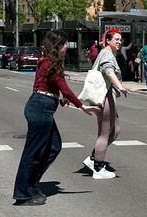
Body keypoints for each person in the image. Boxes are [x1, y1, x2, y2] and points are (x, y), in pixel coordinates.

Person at [13, 30, 100, 206]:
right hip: (41, 108)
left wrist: (57, 98)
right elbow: (64, 88)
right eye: (65, 43)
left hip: (41, 105)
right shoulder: (51, 62)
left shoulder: (48, 62)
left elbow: (44, 85)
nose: (67, 46)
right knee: (33, 153)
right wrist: (81, 106)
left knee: (54, 146)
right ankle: (23, 194)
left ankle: (32, 184)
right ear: (58, 45)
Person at [82, 28, 129, 179]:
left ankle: (93, 158)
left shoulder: (108, 53)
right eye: (116, 39)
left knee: (115, 130)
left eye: (120, 40)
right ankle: (98, 168)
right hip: (105, 96)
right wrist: (120, 87)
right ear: (108, 41)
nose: (119, 42)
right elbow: (109, 71)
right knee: (105, 132)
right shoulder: (107, 54)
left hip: (107, 95)